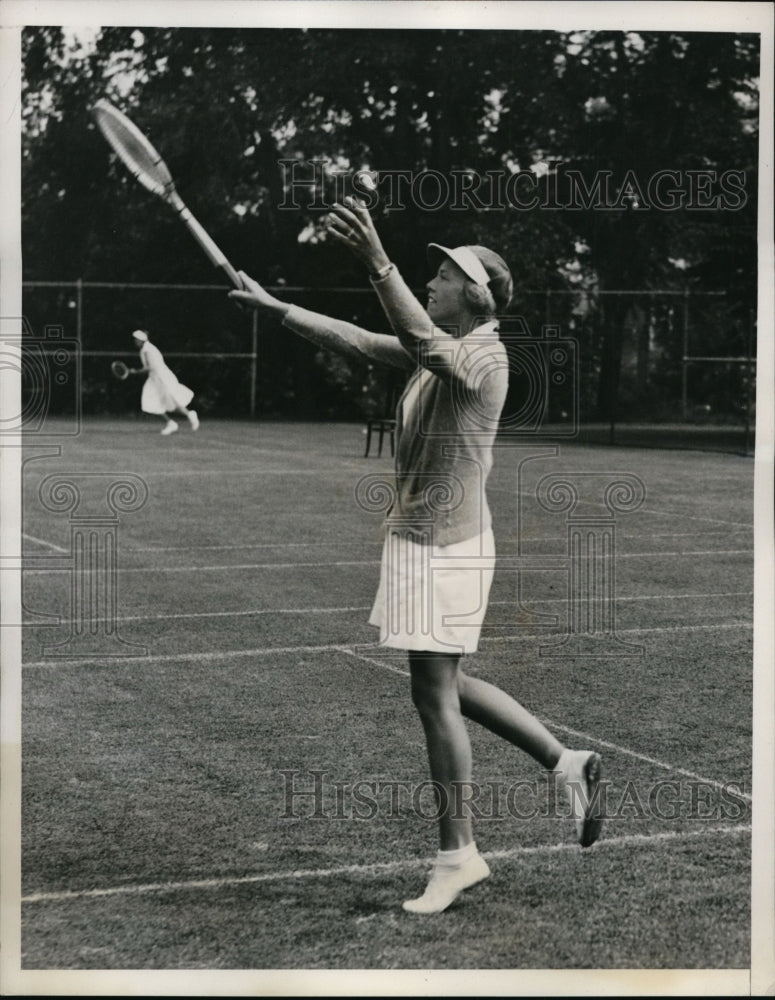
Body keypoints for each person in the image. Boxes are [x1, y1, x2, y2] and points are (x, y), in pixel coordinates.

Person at [230, 198, 603, 915]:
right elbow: (358, 340)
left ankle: (457, 856)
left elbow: (422, 341)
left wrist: (376, 260)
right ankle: (565, 761)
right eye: (428, 273)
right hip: (417, 542)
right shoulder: (438, 349)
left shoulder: (481, 355)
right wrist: (275, 307)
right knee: (444, 685)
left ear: (479, 296)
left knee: (432, 695)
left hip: (447, 547)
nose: (431, 281)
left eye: (443, 275)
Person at [129, 330, 200, 435]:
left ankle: (188, 415)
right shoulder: (146, 348)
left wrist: (135, 371)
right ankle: (173, 422)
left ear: (141, 340)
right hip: (155, 378)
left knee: (171, 401)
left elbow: (151, 367)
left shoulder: (147, 350)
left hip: (162, 378)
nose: (134, 341)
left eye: (136, 339)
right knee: (151, 402)